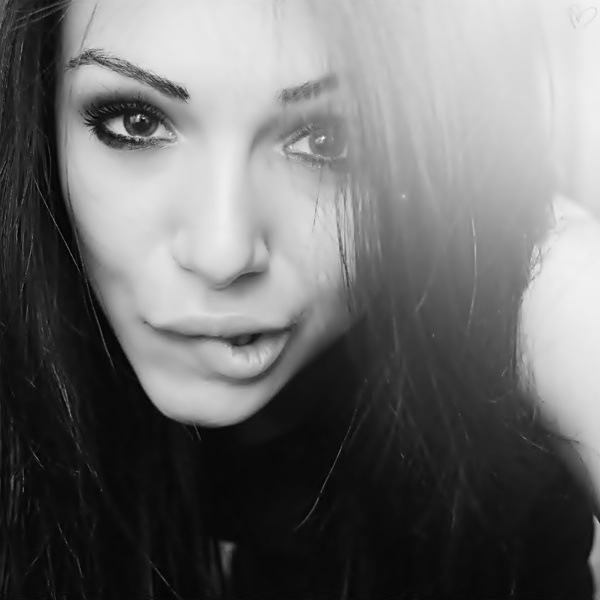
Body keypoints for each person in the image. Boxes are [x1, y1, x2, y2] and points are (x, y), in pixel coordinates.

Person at [0, 0, 594, 598]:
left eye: (329, 139)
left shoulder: (534, 288)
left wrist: (553, 280)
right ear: (40, 112)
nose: (223, 253)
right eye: (137, 123)